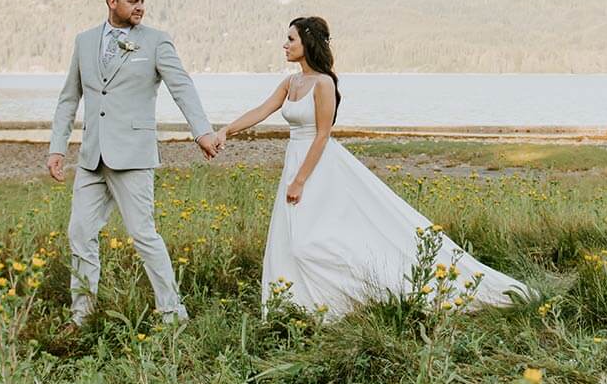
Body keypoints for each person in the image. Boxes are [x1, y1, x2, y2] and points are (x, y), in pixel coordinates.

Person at [216, 16, 530, 318]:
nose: (284, 45)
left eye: (290, 39)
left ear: (307, 42)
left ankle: (357, 293)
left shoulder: (323, 84)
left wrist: (299, 180)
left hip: (318, 166)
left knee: (313, 240)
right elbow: (261, 110)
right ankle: (300, 303)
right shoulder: (290, 82)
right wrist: (224, 131)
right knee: (292, 238)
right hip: (295, 158)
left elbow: (323, 134)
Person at [47, 0, 221, 325]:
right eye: (133, 1)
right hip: (91, 157)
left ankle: (173, 312)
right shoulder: (84, 42)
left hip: (134, 155)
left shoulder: (157, 42)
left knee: (143, 235)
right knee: (79, 233)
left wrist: (201, 131)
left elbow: (182, 87)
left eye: (142, 1)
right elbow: (70, 98)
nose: (140, 7)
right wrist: (57, 148)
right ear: (113, 2)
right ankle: (82, 314)